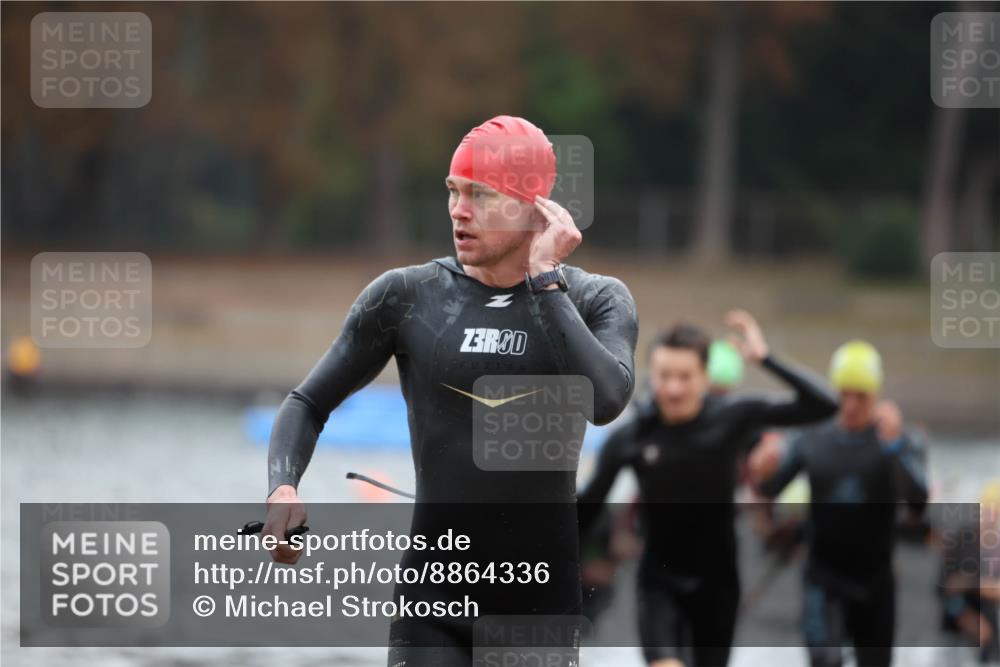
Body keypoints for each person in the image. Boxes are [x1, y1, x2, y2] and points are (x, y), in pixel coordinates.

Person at [262, 115, 639, 665]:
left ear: (535, 206)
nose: (459, 211)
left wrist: (546, 280)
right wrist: (282, 491)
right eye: (453, 191)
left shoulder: (594, 300)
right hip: (431, 607)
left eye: (481, 195)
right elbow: (307, 402)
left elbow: (607, 401)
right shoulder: (406, 297)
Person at [578, 313, 838, 667]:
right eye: (664, 376)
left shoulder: (732, 417)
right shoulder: (634, 435)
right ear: (651, 375)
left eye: (684, 377)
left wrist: (765, 358)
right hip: (659, 584)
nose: (673, 389)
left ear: (704, 377)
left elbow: (824, 405)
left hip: (718, 586)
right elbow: (587, 508)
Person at [751, 340, 929, 667]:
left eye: (861, 395)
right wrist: (761, 469)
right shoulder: (813, 437)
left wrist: (895, 447)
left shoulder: (898, 439)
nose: (850, 405)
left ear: (877, 393)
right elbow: (770, 488)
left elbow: (918, 503)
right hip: (823, 578)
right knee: (824, 661)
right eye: (844, 393)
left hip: (875, 581)